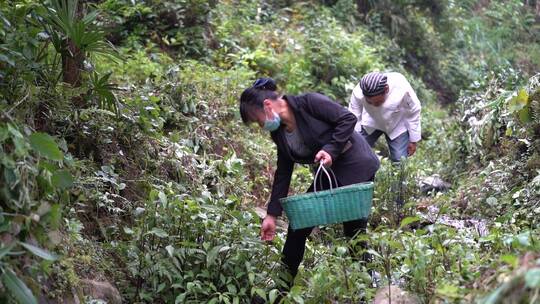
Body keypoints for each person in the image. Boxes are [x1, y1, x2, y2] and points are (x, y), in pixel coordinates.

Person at [239, 78, 380, 288]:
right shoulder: (279, 133)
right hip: (329, 171)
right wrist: (271, 214)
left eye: (257, 119)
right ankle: (281, 288)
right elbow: (284, 172)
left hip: (355, 163)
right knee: (299, 225)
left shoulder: (309, 103)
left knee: (353, 229)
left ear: (267, 106)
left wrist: (331, 150)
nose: (261, 125)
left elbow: (347, 119)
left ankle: (368, 286)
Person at [348, 71, 422, 163]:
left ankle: (399, 177)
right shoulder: (358, 92)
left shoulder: (402, 87)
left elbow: (413, 111)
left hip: (397, 124)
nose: (374, 105)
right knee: (355, 151)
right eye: (370, 102)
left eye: (378, 102)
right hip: (371, 121)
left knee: (399, 160)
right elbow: (354, 116)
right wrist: (355, 138)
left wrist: (413, 140)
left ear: (386, 89)